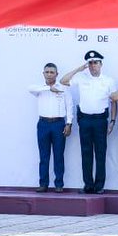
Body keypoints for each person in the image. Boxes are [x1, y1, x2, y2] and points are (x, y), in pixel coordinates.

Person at [60, 50, 116, 194]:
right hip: (84, 120)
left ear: (101, 64)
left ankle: (99, 186)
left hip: (100, 120)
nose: (93, 66)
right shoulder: (81, 78)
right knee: (86, 153)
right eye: (90, 63)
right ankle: (88, 185)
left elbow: (114, 101)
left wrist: (112, 121)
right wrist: (79, 69)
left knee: (100, 153)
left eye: (95, 63)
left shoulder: (108, 80)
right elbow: (63, 81)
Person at [29, 63, 73, 192]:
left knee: (59, 155)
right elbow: (29, 88)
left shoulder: (64, 88)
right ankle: (43, 184)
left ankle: (59, 184)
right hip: (43, 124)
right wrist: (49, 89)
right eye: (47, 72)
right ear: (43, 74)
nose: (49, 74)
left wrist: (69, 124)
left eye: (52, 72)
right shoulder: (39, 88)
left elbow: (69, 106)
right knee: (44, 156)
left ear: (57, 74)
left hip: (58, 123)